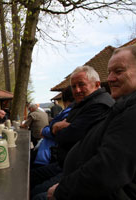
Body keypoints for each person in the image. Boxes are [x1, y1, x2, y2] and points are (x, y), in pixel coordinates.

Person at [48, 45, 136, 200]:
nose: (109, 79)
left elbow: (108, 169)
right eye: (109, 72)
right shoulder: (121, 105)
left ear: (95, 85)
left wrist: (62, 190)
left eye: (119, 71)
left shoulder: (123, 109)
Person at [31, 65, 114, 200]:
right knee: (30, 176)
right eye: (74, 87)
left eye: (81, 85)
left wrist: (60, 129)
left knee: (37, 195)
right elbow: (54, 124)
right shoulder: (81, 103)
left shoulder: (100, 104)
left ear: (97, 84)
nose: (77, 90)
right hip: (63, 163)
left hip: (78, 168)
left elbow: (69, 136)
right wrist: (56, 127)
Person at [32, 86, 74, 168]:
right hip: (48, 152)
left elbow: (58, 131)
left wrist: (44, 131)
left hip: (48, 155)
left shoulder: (69, 112)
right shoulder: (67, 111)